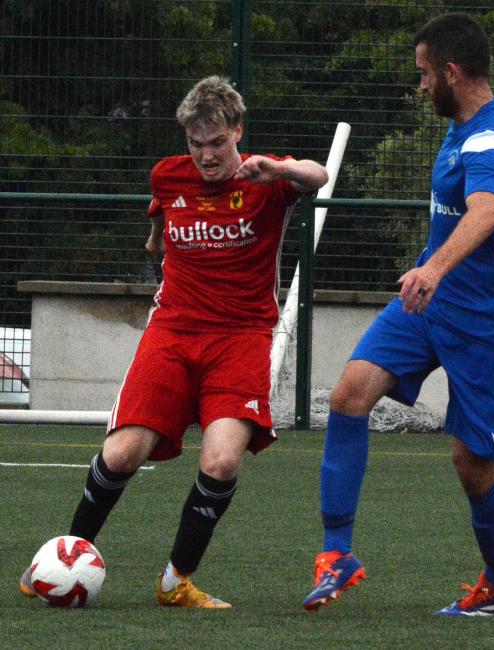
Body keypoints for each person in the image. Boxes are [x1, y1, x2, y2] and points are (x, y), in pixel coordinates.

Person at [20, 75, 328, 608]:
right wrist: (158, 240)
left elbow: (317, 175)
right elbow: (161, 221)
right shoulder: (167, 176)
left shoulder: (268, 179)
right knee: (121, 453)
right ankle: (64, 557)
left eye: (217, 143)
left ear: (237, 132)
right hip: (173, 332)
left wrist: (279, 169)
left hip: (241, 337)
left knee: (221, 462)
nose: (207, 156)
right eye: (196, 144)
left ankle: (175, 581)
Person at [302, 13, 494, 618]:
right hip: (429, 305)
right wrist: (428, 269)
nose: (421, 85)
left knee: (472, 464)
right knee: (351, 393)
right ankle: (337, 554)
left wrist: (433, 268)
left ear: (453, 73)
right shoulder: (459, 127)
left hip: (486, 321)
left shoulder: (489, 140)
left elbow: (483, 214)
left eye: (426, 74)